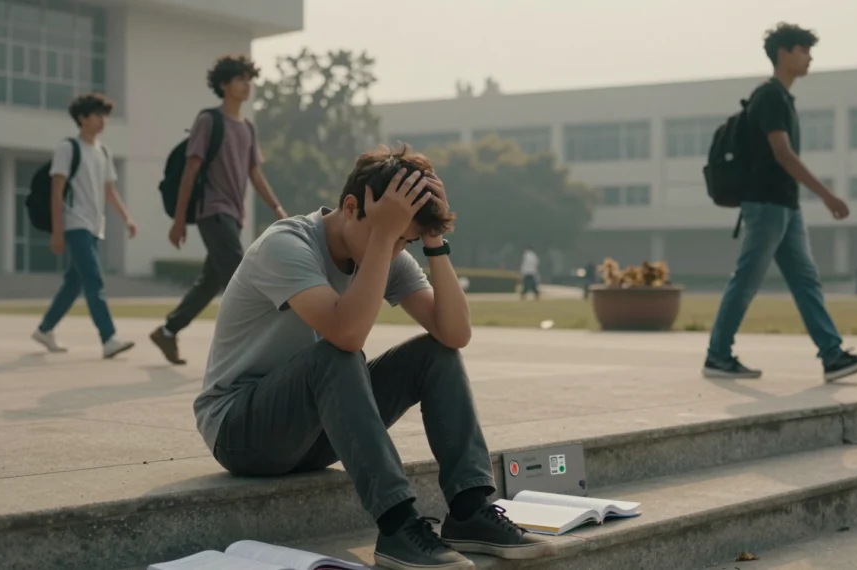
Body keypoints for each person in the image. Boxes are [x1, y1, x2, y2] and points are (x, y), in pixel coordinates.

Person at [194, 144, 556, 570]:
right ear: (352, 206)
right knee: (336, 355)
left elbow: (455, 333)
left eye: (408, 238)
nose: (400, 246)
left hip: (312, 434)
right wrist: (385, 235)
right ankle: (398, 526)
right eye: (393, 232)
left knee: (435, 354)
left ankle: (469, 511)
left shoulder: (385, 247)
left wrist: (433, 240)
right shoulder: (286, 245)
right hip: (241, 431)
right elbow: (346, 335)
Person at [703, 23, 857, 383]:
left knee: (805, 281)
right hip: (767, 205)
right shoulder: (769, 97)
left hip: (785, 206)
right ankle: (717, 356)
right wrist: (827, 195)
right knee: (747, 281)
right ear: (783, 53)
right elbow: (783, 154)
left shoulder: (783, 99)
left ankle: (832, 356)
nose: (809, 57)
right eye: (803, 50)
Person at [151, 54, 288, 365]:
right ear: (224, 84)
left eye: (249, 79)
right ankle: (256, 349)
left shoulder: (248, 129)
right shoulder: (208, 121)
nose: (246, 85)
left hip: (234, 214)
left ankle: (168, 330)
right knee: (243, 276)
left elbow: (255, 174)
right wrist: (179, 220)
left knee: (211, 281)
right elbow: (191, 170)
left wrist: (276, 207)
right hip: (212, 211)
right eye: (240, 79)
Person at [31, 92, 137, 359]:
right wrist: (57, 231)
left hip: (93, 227)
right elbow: (57, 191)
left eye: (104, 116)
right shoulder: (68, 148)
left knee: (74, 283)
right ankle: (108, 337)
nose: (102, 121)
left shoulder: (103, 151)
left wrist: (127, 219)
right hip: (74, 224)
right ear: (82, 118)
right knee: (93, 279)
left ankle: (45, 329)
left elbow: (109, 191)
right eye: (97, 115)